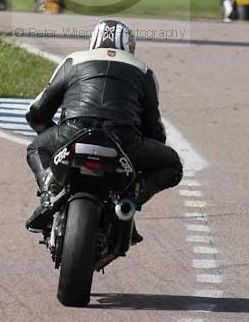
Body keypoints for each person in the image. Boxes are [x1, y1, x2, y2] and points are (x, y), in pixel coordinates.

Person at [24, 19, 183, 232]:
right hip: (124, 140)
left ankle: (49, 192)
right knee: (172, 164)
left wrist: (49, 131)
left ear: (93, 42)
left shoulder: (73, 60)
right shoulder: (144, 71)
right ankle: (131, 197)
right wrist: (145, 152)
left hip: (72, 133)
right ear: (129, 46)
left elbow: (37, 111)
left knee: (37, 147)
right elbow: (153, 126)